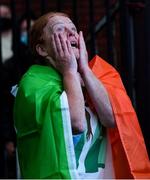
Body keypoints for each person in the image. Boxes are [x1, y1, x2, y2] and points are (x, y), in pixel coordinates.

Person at [13, 12, 150, 179]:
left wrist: (84, 70)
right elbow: (76, 123)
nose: (71, 33)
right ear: (42, 49)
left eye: (73, 29)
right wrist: (70, 71)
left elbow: (112, 119)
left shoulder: (100, 74)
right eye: (60, 29)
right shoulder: (33, 83)